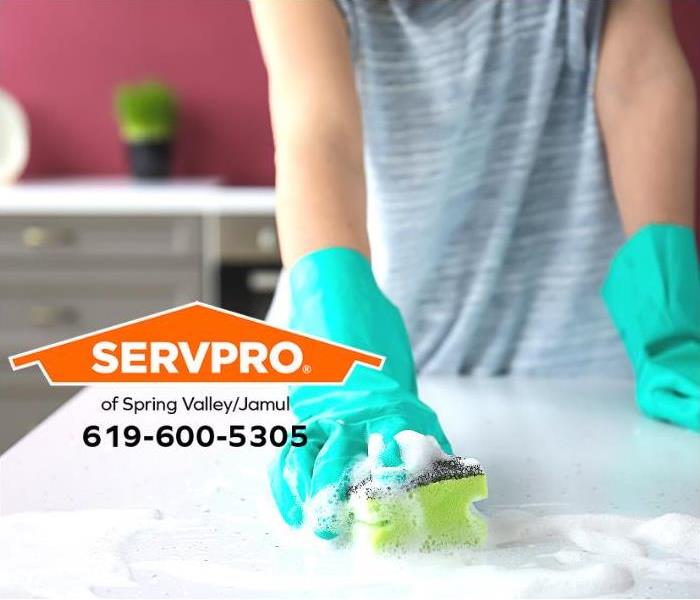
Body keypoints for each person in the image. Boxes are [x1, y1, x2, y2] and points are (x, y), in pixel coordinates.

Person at [251, 0, 699, 539]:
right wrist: (347, 355)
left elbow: (640, 76)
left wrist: (669, 320)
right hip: (379, 348)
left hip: (586, 362)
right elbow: (318, 128)